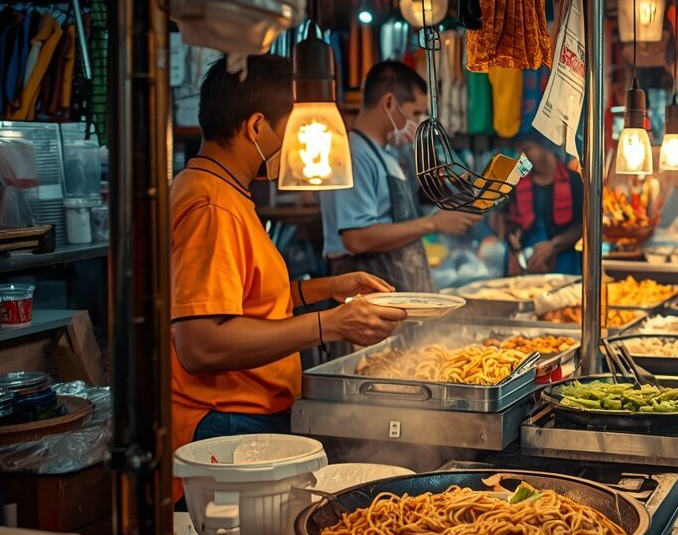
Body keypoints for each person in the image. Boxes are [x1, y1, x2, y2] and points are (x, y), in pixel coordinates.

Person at [170, 56, 406, 463]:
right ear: (256, 127)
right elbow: (201, 345)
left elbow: (244, 300)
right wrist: (328, 324)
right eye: (295, 133)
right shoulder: (212, 206)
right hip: (223, 424)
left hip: (244, 415)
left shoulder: (223, 192)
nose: (299, 148)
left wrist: (325, 289)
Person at [319, 61, 473, 293]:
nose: (417, 122)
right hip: (368, 291)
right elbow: (357, 238)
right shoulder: (353, 154)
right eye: (415, 113)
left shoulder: (385, 152)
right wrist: (432, 223)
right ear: (389, 103)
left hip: (397, 287)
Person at [504, 132, 584, 274]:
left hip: (564, 264)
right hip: (527, 264)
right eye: (521, 151)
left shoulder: (573, 180)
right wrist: (514, 252)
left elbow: (582, 225)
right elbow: (508, 223)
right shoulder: (517, 183)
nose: (523, 156)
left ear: (545, 146)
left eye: (527, 149)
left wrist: (553, 245)